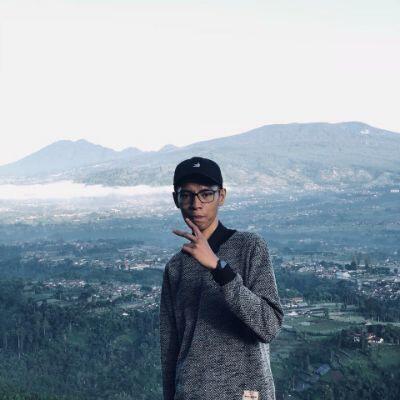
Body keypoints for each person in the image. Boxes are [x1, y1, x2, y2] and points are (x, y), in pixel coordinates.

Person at [159, 156, 284, 400]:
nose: (196, 204)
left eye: (206, 194)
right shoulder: (175, 268)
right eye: (187, 195)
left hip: (246, 394)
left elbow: (269, 326)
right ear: (176, 199)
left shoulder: (249, 247)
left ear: (222, 196)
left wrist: (219, 268)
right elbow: (170, 350)